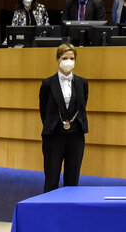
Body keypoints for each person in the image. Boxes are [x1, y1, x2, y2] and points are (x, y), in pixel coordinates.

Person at [39, 44, 89, 192]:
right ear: (57, 60)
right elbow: (44, 111)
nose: (68, 61)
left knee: (72, 180)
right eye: (65, 58)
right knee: (51, 179)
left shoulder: (82, 83)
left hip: (76, 136)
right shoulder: (47, 83)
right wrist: (55, 125)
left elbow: (82, 105)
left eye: (71, 58)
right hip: (54, 137)